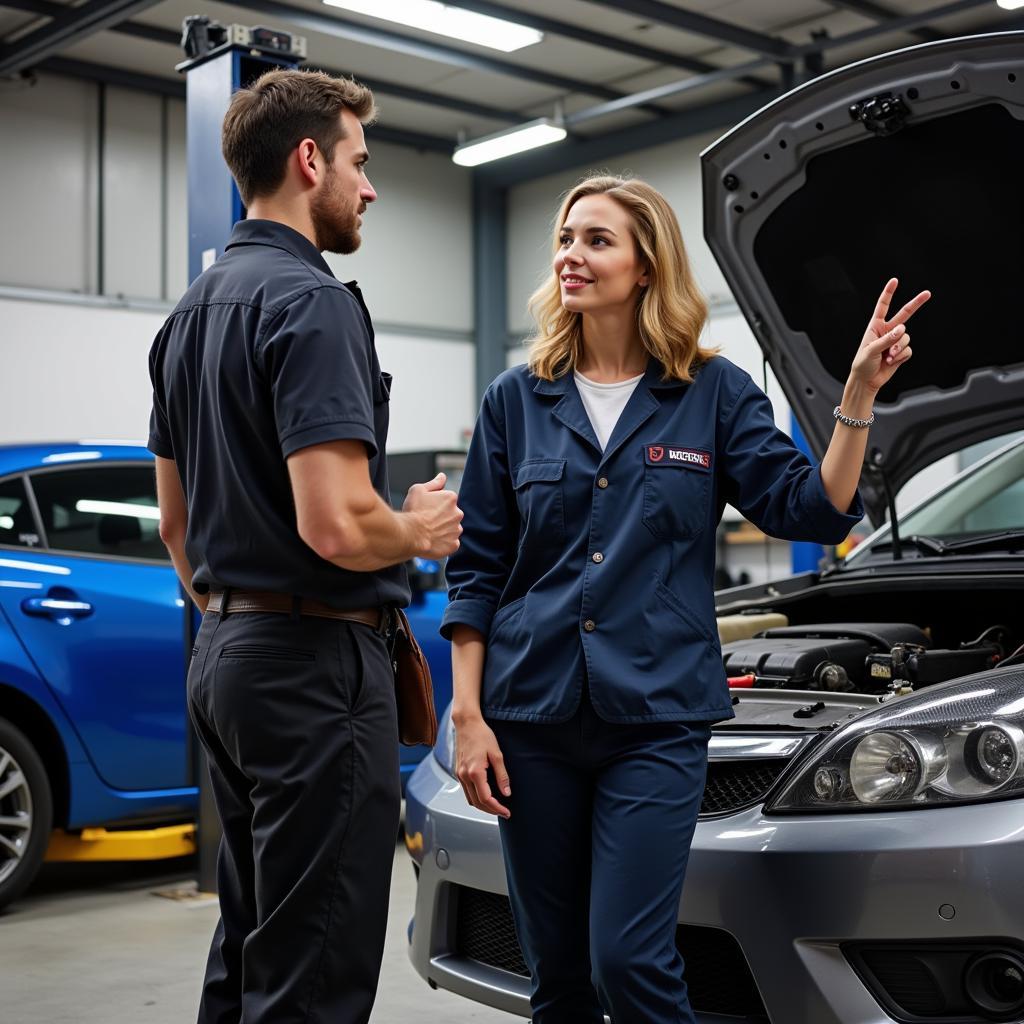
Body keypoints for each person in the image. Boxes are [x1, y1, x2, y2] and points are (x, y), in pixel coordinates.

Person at [442, 175, 929, 1024]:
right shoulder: (514, 402)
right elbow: (479, 569)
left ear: (644, 266)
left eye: (597, 240)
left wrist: (855, 400)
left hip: (655, 721)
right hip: (531, 718)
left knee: (629, 957)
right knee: (555, 969)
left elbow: (807, 507)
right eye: (566, 238)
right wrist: (468, 713)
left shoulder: (712, 392)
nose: (571, 255)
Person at [148, 69, 462, 1024]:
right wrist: (419, 529)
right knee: (315, 969)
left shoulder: (187, 317)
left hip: (226, 664)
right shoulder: (313, 303)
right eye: (361, 164)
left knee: (251, 950)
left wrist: (239, 627)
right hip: (314, 673)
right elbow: (336, 524)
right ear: (310, 158)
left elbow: (176, 525)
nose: (369, 189)